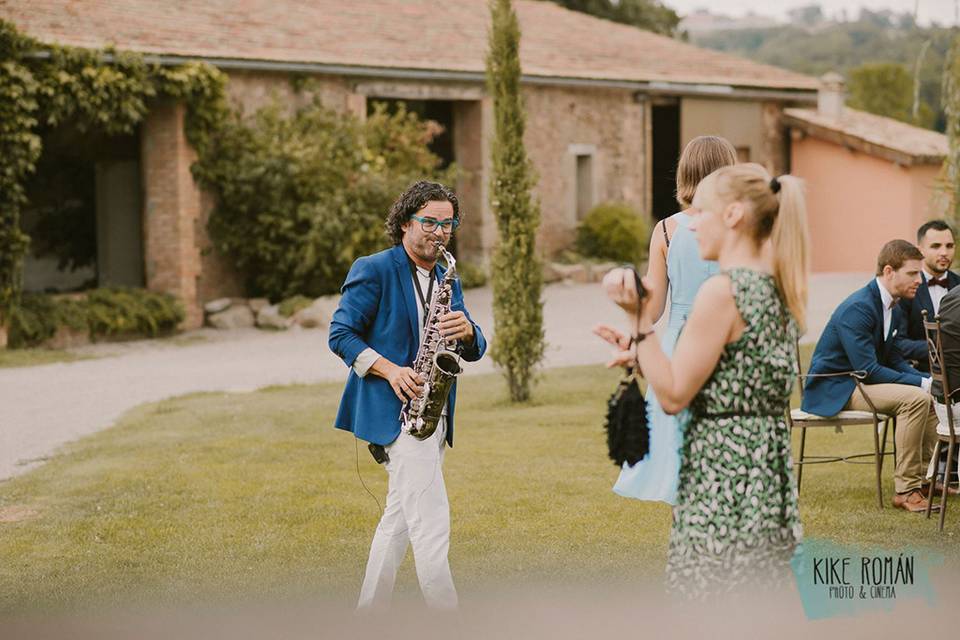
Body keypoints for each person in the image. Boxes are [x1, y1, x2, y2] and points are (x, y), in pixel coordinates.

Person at [603, 163, 808, 599]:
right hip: (764, 475)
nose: (691, 225)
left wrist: (637, 316)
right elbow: (727, 373)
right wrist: (644, 358)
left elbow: (675, 393)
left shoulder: (723, 292)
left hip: (723, 476)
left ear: (732, 216)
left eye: (700, 212)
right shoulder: (776, 285)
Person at [328, 181, 487, 611]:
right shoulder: (374, 268)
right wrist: (390, 369)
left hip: (431, 415)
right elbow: (340, 335)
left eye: (447, 224)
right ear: (403, 224)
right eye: (429, 222)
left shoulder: (446, 276)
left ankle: (368, 614)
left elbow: (477, 345)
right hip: (394, 414)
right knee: (431, 523)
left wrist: (469, 332)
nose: (438, 232)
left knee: (397, 522)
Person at [594, 135, 737, 504]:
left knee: (679, 463)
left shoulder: (667, 230)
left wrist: (631, 321)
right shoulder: (738, 227)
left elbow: (652, 309)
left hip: (676, 348)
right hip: (727, 342)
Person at [801, 240, 939, 513]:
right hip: (837, 385)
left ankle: (926, 479)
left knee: (930, 395)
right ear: (889, 271)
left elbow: (894, 358)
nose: (919, 281)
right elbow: (869, 370)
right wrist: (921, 383)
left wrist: (928, 382)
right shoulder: (859, 307)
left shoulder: (894, 307)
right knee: (915, 398)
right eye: (912, 273)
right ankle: (905, 490)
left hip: (858, 381)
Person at [896, 220, 959, 371]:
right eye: (936, 246)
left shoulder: (958, 284)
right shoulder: (905, 287)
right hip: (920, 371)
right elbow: (898, 343)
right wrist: (941, 348)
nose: (944, 252)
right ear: (920, 251)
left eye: (949, 246)